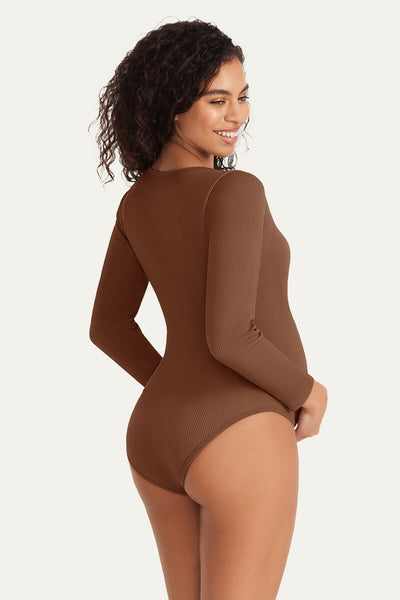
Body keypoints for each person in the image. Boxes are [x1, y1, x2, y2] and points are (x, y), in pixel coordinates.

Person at [88, 18, 327, 600]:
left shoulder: (136, 203)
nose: (236, 115)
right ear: (172, 107)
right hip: (241, 435)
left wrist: (178, 390)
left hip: (154, 435)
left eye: (243, 97)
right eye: (217, 101)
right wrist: (308, 391)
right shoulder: (234, 190)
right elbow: (231, 335)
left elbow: (108, 327)